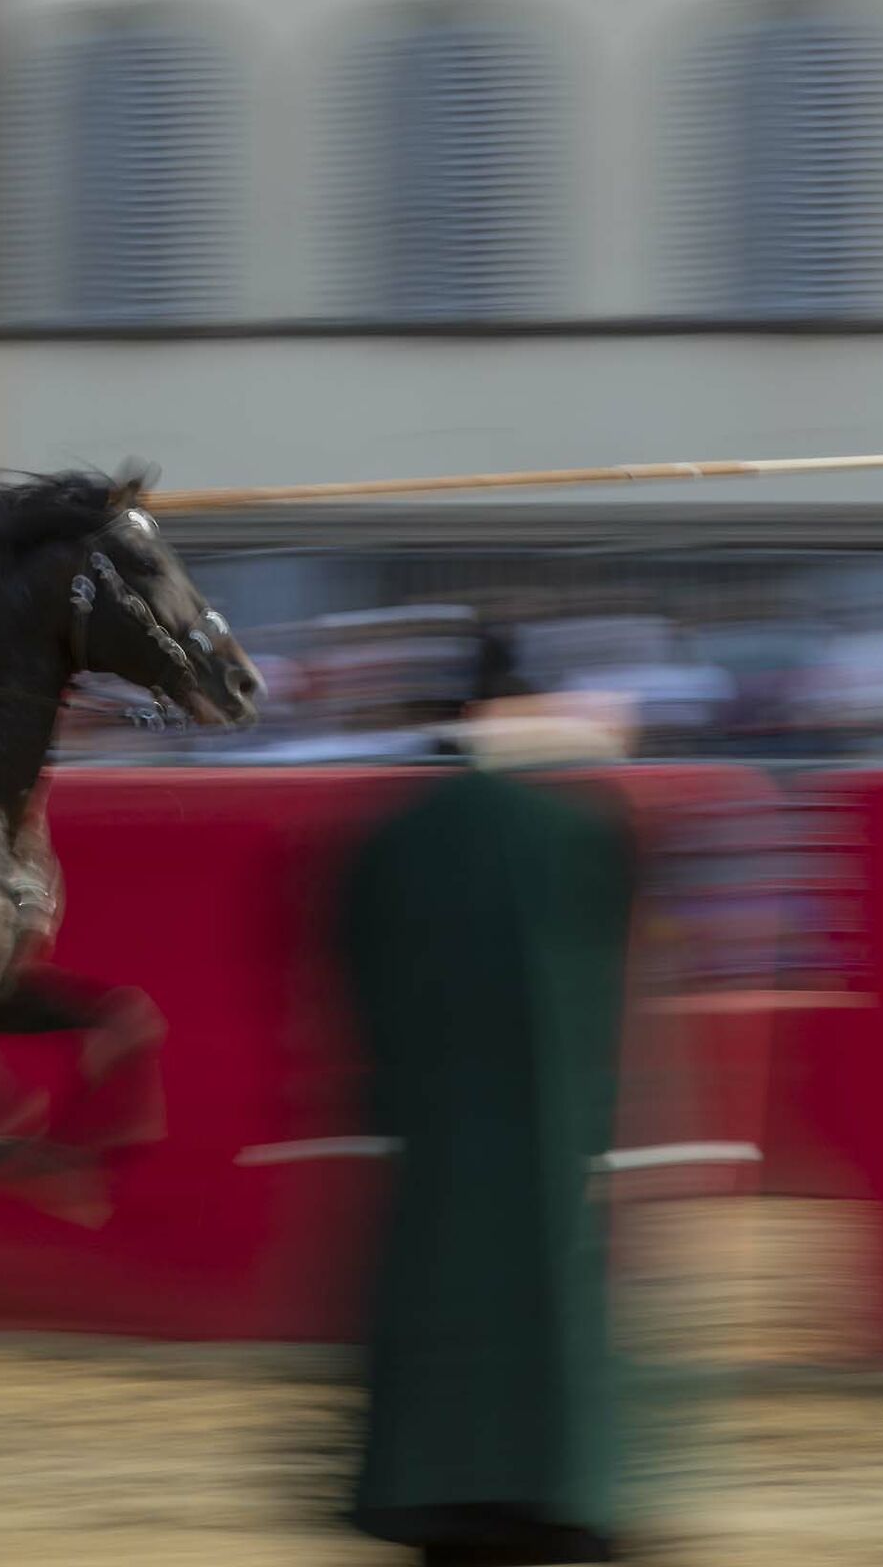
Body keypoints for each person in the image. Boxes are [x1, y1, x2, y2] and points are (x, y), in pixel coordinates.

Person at [338, 661, 640, 1565]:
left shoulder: (387, 844)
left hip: (434, 1154)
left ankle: (449, 1486)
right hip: (549, 1150)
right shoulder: (585, 834)